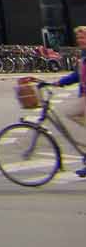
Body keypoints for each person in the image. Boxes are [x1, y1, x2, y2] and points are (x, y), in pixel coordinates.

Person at [52, 25, 86, 177]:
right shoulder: (84, 55)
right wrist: (60, 82)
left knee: (69, 114)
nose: (80, 40)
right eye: (78, 38)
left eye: (83, 37)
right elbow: (77, 75)